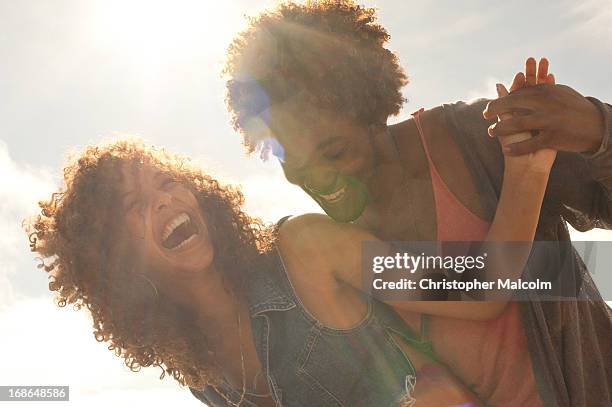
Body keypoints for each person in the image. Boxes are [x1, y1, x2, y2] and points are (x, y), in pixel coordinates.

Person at [223, 1, 612, 405]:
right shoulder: (333, 246)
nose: (320, 181)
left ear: (372, 112)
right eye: (295, 165)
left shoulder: (480, 138)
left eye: (335, 153)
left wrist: (595, 127)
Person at [27, 132, 554, 406]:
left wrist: (528, 169)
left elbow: (480, 289)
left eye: (166, 182)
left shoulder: (305, 250)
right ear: (115, 261)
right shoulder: (200, 374)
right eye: (133, 205)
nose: (165, 200)